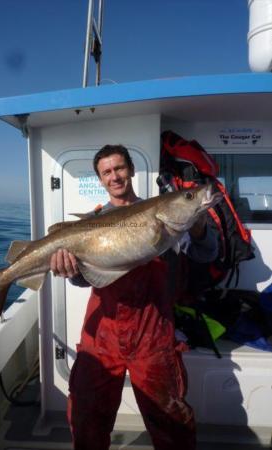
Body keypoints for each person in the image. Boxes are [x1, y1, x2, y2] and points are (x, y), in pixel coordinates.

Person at [50, 144, 218, 450]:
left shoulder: (168, 216)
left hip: (153, 335)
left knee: (171, 423)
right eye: (107, 172)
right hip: (101, 336)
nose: (115, 176)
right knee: (86, 419)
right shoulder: (92, 220)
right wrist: (70, 270)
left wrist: (198, 226)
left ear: (131, 170)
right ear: (101, 179)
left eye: (119, 168)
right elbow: (83, 279)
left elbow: (207, 254)